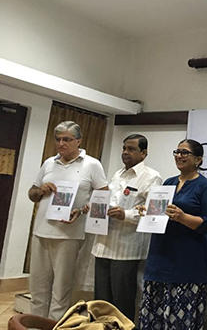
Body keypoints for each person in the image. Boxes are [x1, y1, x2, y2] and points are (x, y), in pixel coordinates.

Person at [28, 121, 108, 320]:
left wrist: (81, 210)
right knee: (37, 288)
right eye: (58, 139)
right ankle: (35, 325)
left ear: (78, 141)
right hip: (41, 231)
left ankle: (55, 325)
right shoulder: (49, 163)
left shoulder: (91, 164)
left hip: (69, 235)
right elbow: (32, 193)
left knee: (61, 291)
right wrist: (41, 190)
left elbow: (103, 197)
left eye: (67, 139)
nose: (61, 143)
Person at [138, 139, 207, 330]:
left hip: (187, 262)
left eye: (185, 153)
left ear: (198, 159)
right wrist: (147, 211)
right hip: (159, 257)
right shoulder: (168, 182)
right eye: (177, 152)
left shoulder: (205, 186)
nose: (179, 156)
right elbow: (159, 214)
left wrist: (183, 217)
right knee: (153, 318)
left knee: (180, 322)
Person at [91, 134, 162, 320]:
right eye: (124, 148)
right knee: (101, 302)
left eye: (131, 149)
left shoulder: (152, 177)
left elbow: (154, 213)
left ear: (144, 153)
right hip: (103, 244)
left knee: (122, 302)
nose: (125, 152)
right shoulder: (117, 174)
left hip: (126, 249)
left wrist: (127, 215)